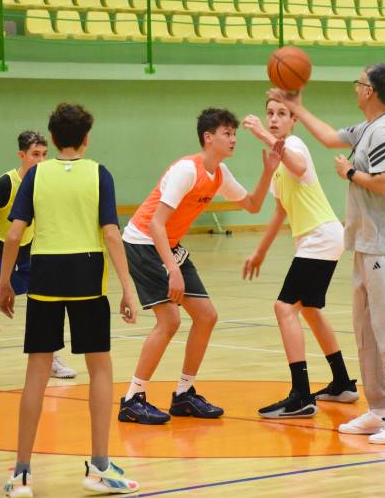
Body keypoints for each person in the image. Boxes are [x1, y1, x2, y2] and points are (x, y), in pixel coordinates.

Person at [268, 63, 385, 445]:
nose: (355, 87)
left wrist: (350, 174)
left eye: (359, 83)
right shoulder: (368, 128)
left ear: (370, 91)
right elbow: (329, 137)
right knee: (366, 329)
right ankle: (379, 409)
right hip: (364, 242)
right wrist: (296, 105)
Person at [0, 103, 139, 497]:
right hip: (87, 274)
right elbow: (111, 233)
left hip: (44, 273)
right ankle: (99, 466)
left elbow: (14, 235)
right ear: (86, 138)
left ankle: (21, 473)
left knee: (36, 373)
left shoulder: (35, 174)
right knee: (100, 370)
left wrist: (4, 282)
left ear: (53, 137)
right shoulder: (99, 173)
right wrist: (128, 287)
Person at [117, 108, 278, 425]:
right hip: (143, 241)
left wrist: (269, 171)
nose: (233, 139)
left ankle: (184, 394)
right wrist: (173, 269)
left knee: (206, 316)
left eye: (234, 133)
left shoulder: (220, 173)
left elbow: (252, 205)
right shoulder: (186, 170)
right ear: (208, 137)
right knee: (170, 320)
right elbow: (156, 224)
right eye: (227, 133)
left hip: (168, 243)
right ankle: (132, 399)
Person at [241, 97, 358, 418]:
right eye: (270, 114)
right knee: (309, 309)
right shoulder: (278, 163)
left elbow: (300, 166)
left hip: (320, 235)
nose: (274, 119)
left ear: (294, 121)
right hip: (320, 237)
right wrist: (260, 251)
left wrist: (263, 134)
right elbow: (280, 211)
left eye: (282, 114)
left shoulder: (293, 145)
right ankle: (342, 382)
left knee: (284, 308)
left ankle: (301, 395)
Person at [0, 130, 77, 388]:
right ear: (22, 155)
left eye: (45, 154)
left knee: (48, 303)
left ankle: (51, 358)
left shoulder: (46, 181)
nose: (41, 159)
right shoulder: (6, 183)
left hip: (29, 249)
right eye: (35, 154)